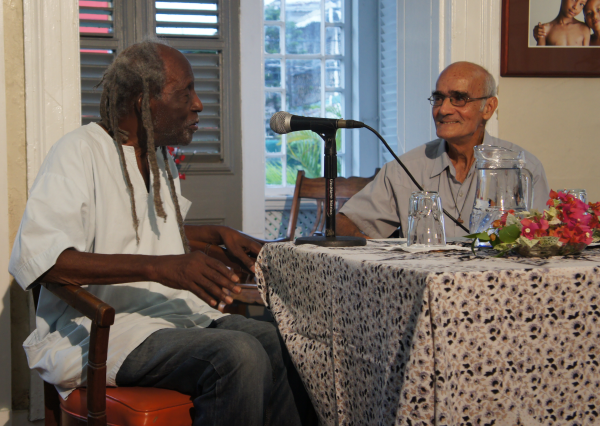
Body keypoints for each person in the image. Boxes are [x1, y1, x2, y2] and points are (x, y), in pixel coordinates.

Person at [9, 40, 311, 426]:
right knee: (239, 354)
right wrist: (160, 268)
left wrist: (218, 234)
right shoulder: (77, 152)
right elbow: (44, 262)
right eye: (185, 92)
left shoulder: (157, 156)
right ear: (143, 100)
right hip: (98, 330)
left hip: (165, 318)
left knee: (282, 342)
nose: (198, 103)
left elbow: (144, 233)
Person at [336, 61, 550, 240]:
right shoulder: (403, 169)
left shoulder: (523, 169)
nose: (443, 110)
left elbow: (539, 241)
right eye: (438, 99)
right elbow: (343, 222)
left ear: (489, 107)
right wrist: (375, 255)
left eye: (459, 98)